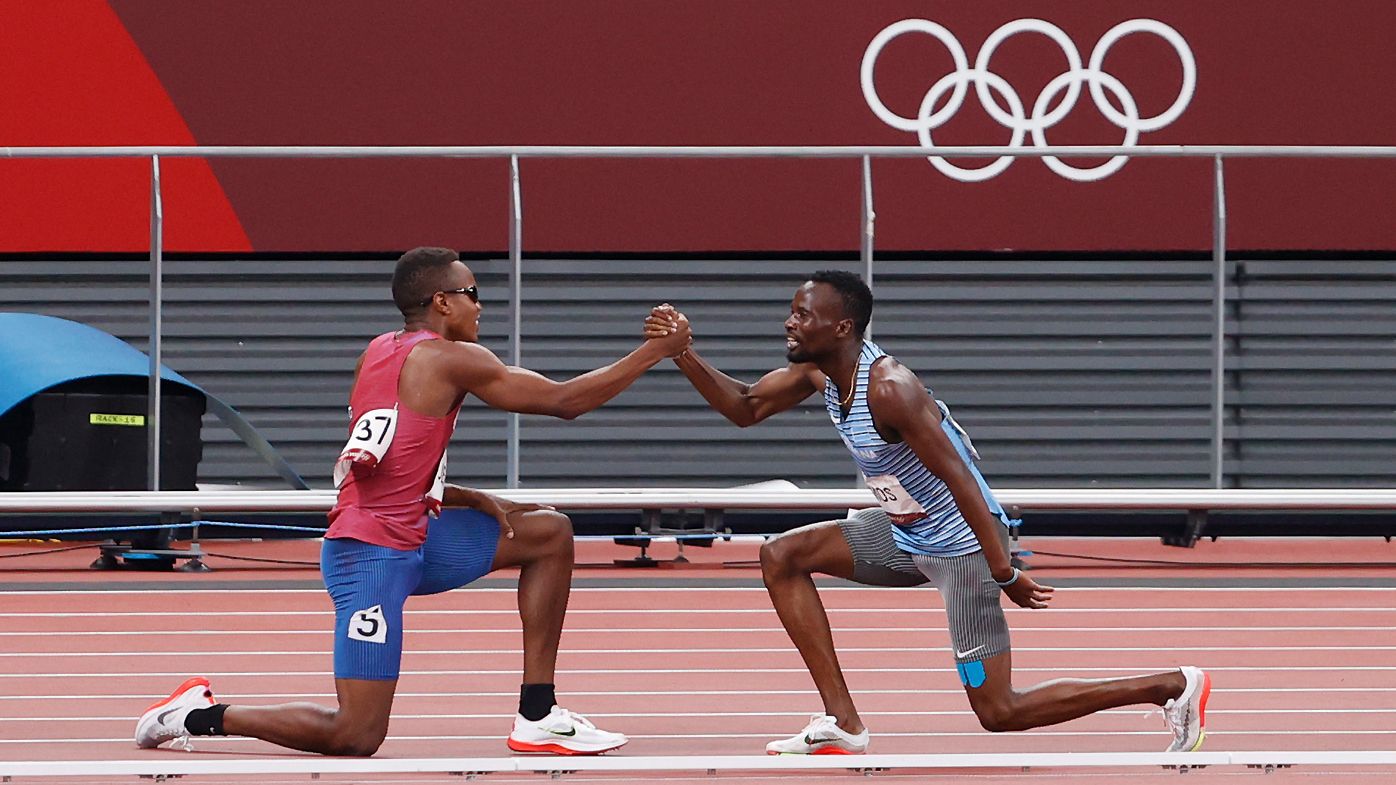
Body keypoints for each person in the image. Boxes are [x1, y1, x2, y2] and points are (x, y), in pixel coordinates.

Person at [135, 246, 691, 756]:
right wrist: (656, 351)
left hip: (418, 536)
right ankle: (198, 715)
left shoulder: (378, 352)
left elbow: (386, 458)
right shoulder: (452, 358)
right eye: (473, 294)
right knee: (355, 735)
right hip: (369, 556)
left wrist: (467, 496)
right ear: (442, 302)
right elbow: (565, 401)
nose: (481, 307)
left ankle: (538, 713)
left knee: (548, 533)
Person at [648, 271, 1210, 755]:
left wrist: (1004, 571)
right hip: (902, 531)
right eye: (791, 312)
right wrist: (683, 354)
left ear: (841, 327)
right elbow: (745, 408)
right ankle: (843, 724)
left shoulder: (891, 390)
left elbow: (963, 480)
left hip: (964, 547)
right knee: (782, 554)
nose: (788, 323)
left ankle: (1169, 685)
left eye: (801, 314)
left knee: (999, 711)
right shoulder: (821, 374)